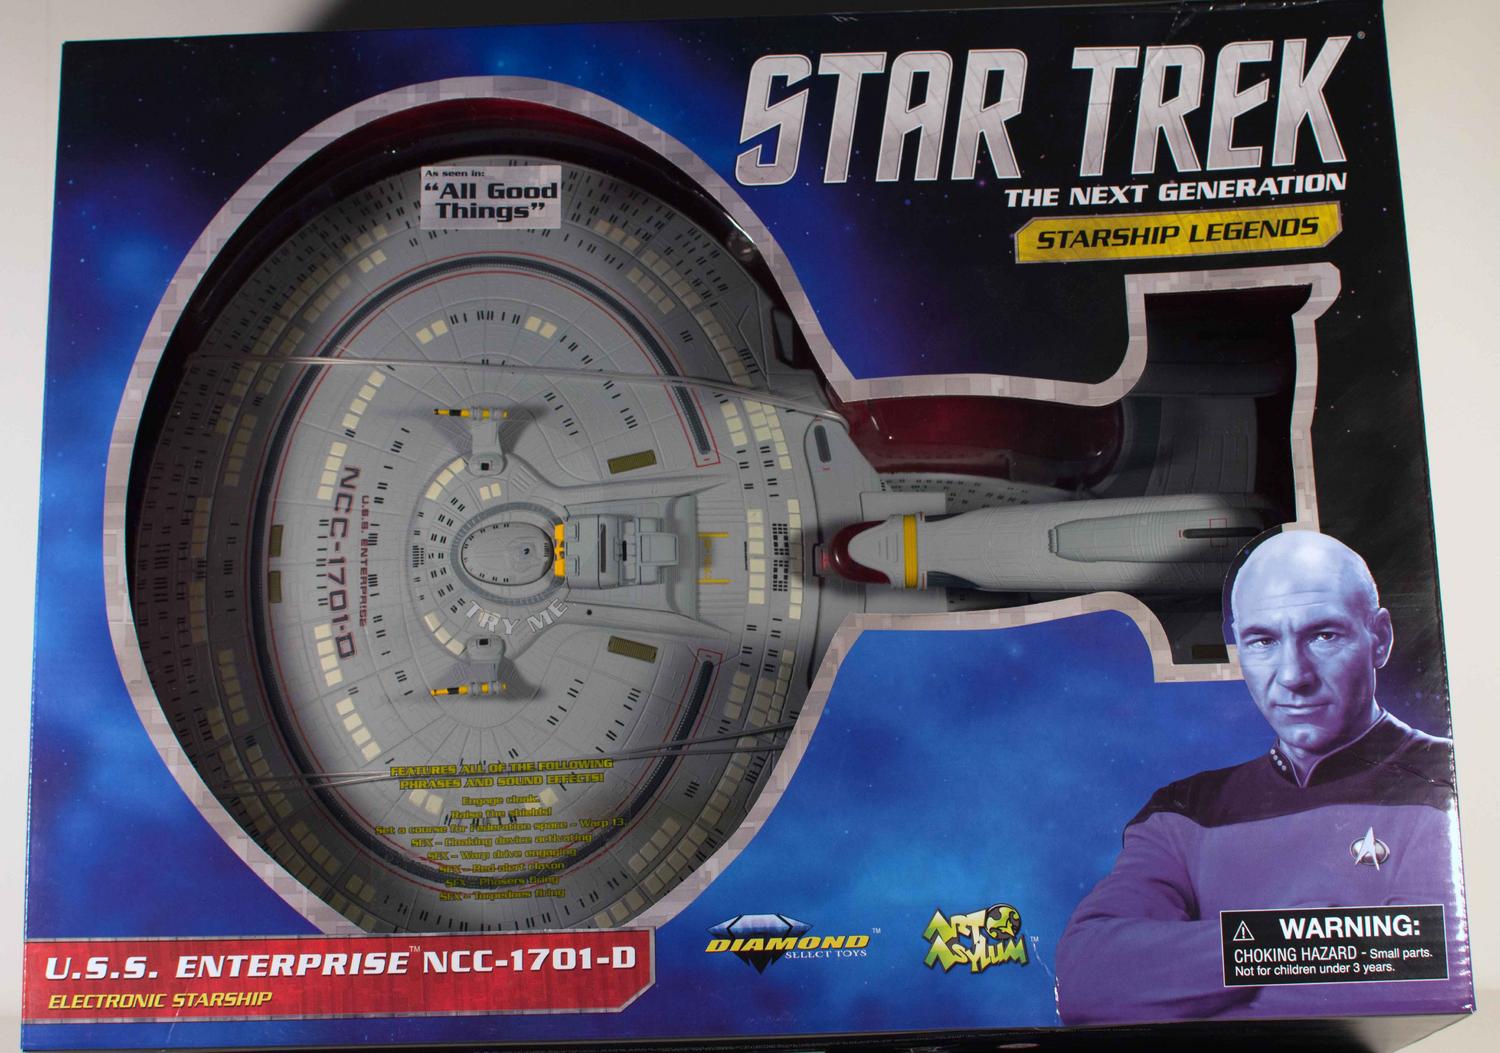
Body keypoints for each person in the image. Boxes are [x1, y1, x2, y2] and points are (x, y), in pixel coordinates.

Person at [1055, 530, 1462, 1024]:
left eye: (1324, 635)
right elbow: (1086, 979)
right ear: (1237, 648)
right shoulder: (1182, 811)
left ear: (1379, 638)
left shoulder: (1450, 782)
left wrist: (1185, 986)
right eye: (1263, 640)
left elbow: (1437, 987)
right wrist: (1302, 941)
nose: (1293, 675)